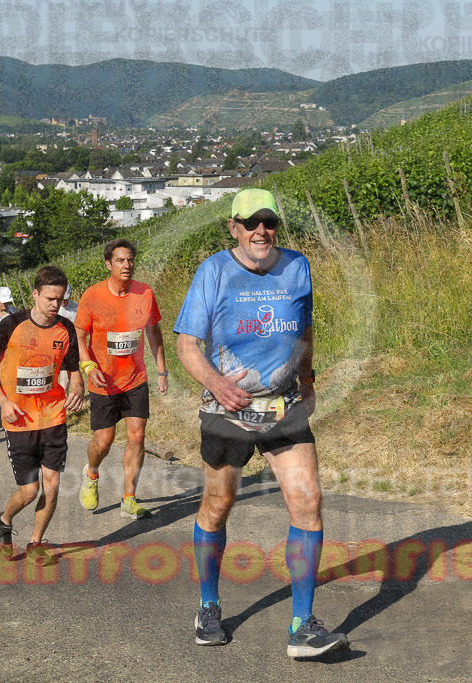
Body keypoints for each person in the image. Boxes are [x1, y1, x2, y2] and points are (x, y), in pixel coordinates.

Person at [173, 189, 347, 658]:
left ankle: (302, 625)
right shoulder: (213, 271)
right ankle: (208, 606)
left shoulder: (297, 266)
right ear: (234, 227)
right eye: (251, 222)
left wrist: (307, 379)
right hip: (226, 409)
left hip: (283, 405)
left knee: (308, 501)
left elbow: (304, 328)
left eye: (269, 222)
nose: (261, 231)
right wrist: (216, 383)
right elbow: (187, 344)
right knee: (218, 504)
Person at [0, 266, 83, 556]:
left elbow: (73, 368)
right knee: (29, 491)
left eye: (60, 299)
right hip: (19, 419)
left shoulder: (66, 329)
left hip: (52, 416)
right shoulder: (11, 324)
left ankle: (36, 543)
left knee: (52, 486)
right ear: (35, 294)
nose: (56, 304)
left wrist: (78, 387)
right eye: (50, 298)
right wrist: (3, 401)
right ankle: (4, 521)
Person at [75, 239, 168, 520]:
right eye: (120, 260)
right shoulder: (92, 295)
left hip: (135, 378)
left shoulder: (145, 293)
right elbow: (80, 335)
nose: (127, 265)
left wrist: (161, 371)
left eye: (130, 260)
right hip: (103, 380)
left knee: (137, 436)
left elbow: (153, 333)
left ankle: (129, 498)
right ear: (108, 264)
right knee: (103, 441)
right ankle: (91, 473)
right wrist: (89, 366)